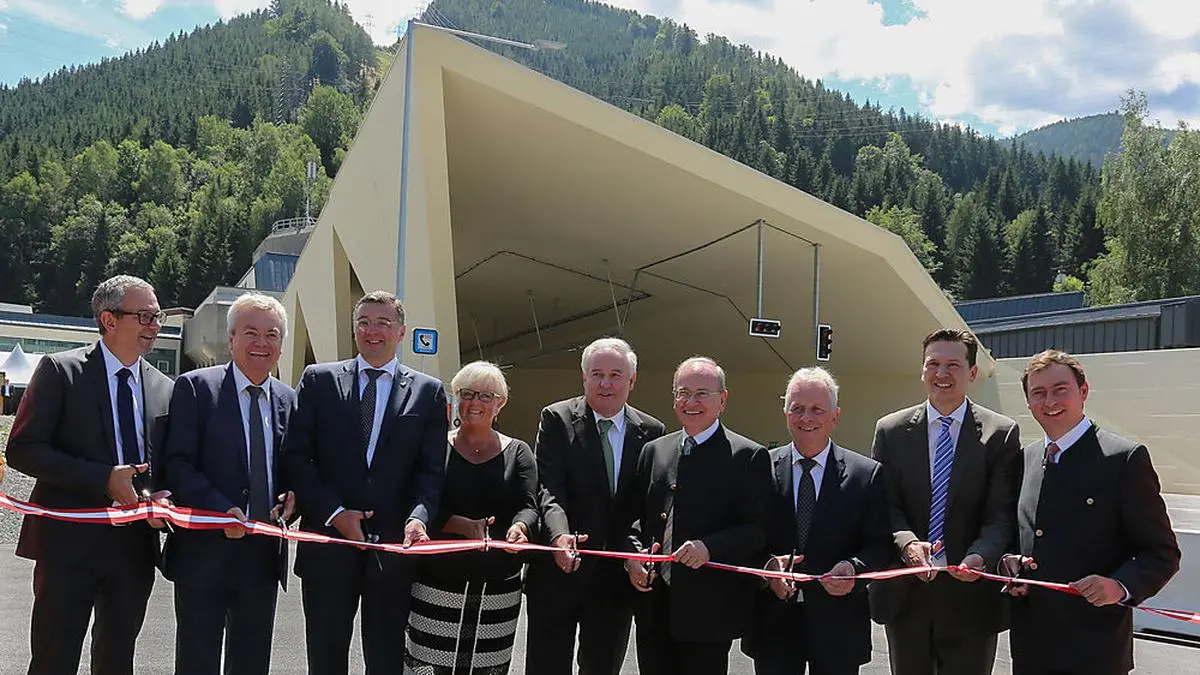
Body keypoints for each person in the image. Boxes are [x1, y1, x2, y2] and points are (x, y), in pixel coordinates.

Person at [6, 274, 173, 675]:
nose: (154, 326)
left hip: (134, 549)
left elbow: (167, 463)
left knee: (117, 661)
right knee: (53, 657)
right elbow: (22, 450)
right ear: (109, 319)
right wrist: (102, 479)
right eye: (145, 316)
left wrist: (162, 498)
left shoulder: (166, 388)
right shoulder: (61, 372)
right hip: (67, 546)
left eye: (157, 316)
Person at [281, 291, 448, 675]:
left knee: (386, 656)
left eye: (383, 323)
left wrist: (419, 518)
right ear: (354, 328)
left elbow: (430, 471)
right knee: (325, 656)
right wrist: (335, 513)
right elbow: (296, 457)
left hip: (392, 549)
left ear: (402, 331)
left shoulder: (428, 391)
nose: (373, 331)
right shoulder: (319, 380)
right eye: (364, 322)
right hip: (329, 545)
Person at [1001, 349, 1180, 675]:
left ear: (1083, 392)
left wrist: (1119, 586)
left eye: (1060, 389)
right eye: (1038, 393)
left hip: (1094, 651)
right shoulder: (1025, 460)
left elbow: (1162, 551)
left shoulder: (1122, 459)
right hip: (1031, 648)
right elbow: (1022, 536)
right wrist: (1011, 563)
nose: (1049, 400)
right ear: (1028, 402)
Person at [869, 328, 1022, 675]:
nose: (941, 374)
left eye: (953, 365)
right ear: (922, 370)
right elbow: (884, 507)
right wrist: (908, 544)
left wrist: (980, 555)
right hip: (908, 596)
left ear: (972, 373)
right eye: (933, 364)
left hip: (971, 600)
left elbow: (1001, 514)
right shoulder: (890, 431)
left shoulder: (1001, 433)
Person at [160, 293, 298, 675]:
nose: (261, 343)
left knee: (252, 661)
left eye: (272, 335)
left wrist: (293, 499)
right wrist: (220, 510)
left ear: (281, 345)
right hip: (205, 553)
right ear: (231, 338)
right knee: (197, 660)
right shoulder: (195, 388)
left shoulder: (288, 399)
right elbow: (178, 464)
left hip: (262, 555)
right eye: (250, 333)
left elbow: (293, 467)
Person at [524, 337, 666, 675]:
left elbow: (640, 508)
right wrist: (559, 537)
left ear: (631, 381)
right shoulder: (556, 419)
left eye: (616, 375)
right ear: (583, 377)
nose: (606, 383)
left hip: (613, 583)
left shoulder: (651, 431)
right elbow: (549, 488)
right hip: (558, 573)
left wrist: (634, 555)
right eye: (596, 373)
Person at [625, 356, 772, 675]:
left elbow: (757, 529)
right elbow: (636, 517)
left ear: (723, 399)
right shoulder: (655, 451)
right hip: (654, 606)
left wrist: (710, 547)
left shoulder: (747, 456)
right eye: (682, 392)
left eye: (701, 394)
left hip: (709, 611)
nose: (690, 402)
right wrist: (633, 556)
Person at [741, 367, 891, 675]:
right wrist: (767, 567)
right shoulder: (759, 468)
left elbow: (880, 545)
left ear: (835, 416)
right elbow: (745, 535)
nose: (806, 418)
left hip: (839, 628)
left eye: (816, 410)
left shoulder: (866, 475)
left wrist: (854, 569)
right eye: (797, 408)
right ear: (785, 413)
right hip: (773, 626)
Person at [404, 361, 539, 674]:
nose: (475, 403)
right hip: (436, 583)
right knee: (427, 665)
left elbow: (530, 505)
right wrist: (461, 526)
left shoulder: (519, 452)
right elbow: (419, 500)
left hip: (497, 588)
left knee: (487, 667)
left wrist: (520, 527)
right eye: (467, 394)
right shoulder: (435, 448)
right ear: (456, 398)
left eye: (486, 396)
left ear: (500, 403)